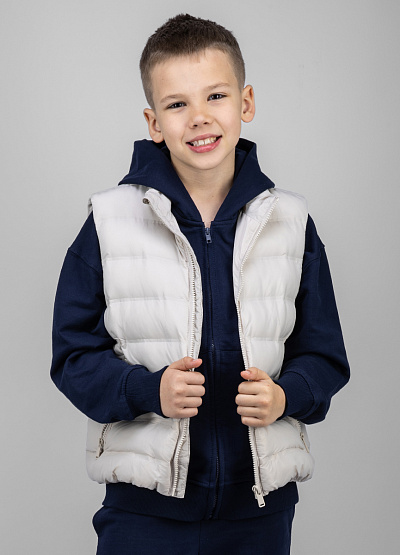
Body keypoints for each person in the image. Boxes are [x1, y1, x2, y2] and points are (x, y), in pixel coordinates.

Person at [51, 13, 350, 555]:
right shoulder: (109, 222)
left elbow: (325, 356)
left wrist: (285, 396)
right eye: (176, 104)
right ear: (153, 122)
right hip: (144, 510)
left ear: (246, 103)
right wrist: (148, 391)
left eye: (215, 96)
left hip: (259, 510)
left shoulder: (291, 222)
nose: (199, 118)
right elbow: (72, 357)